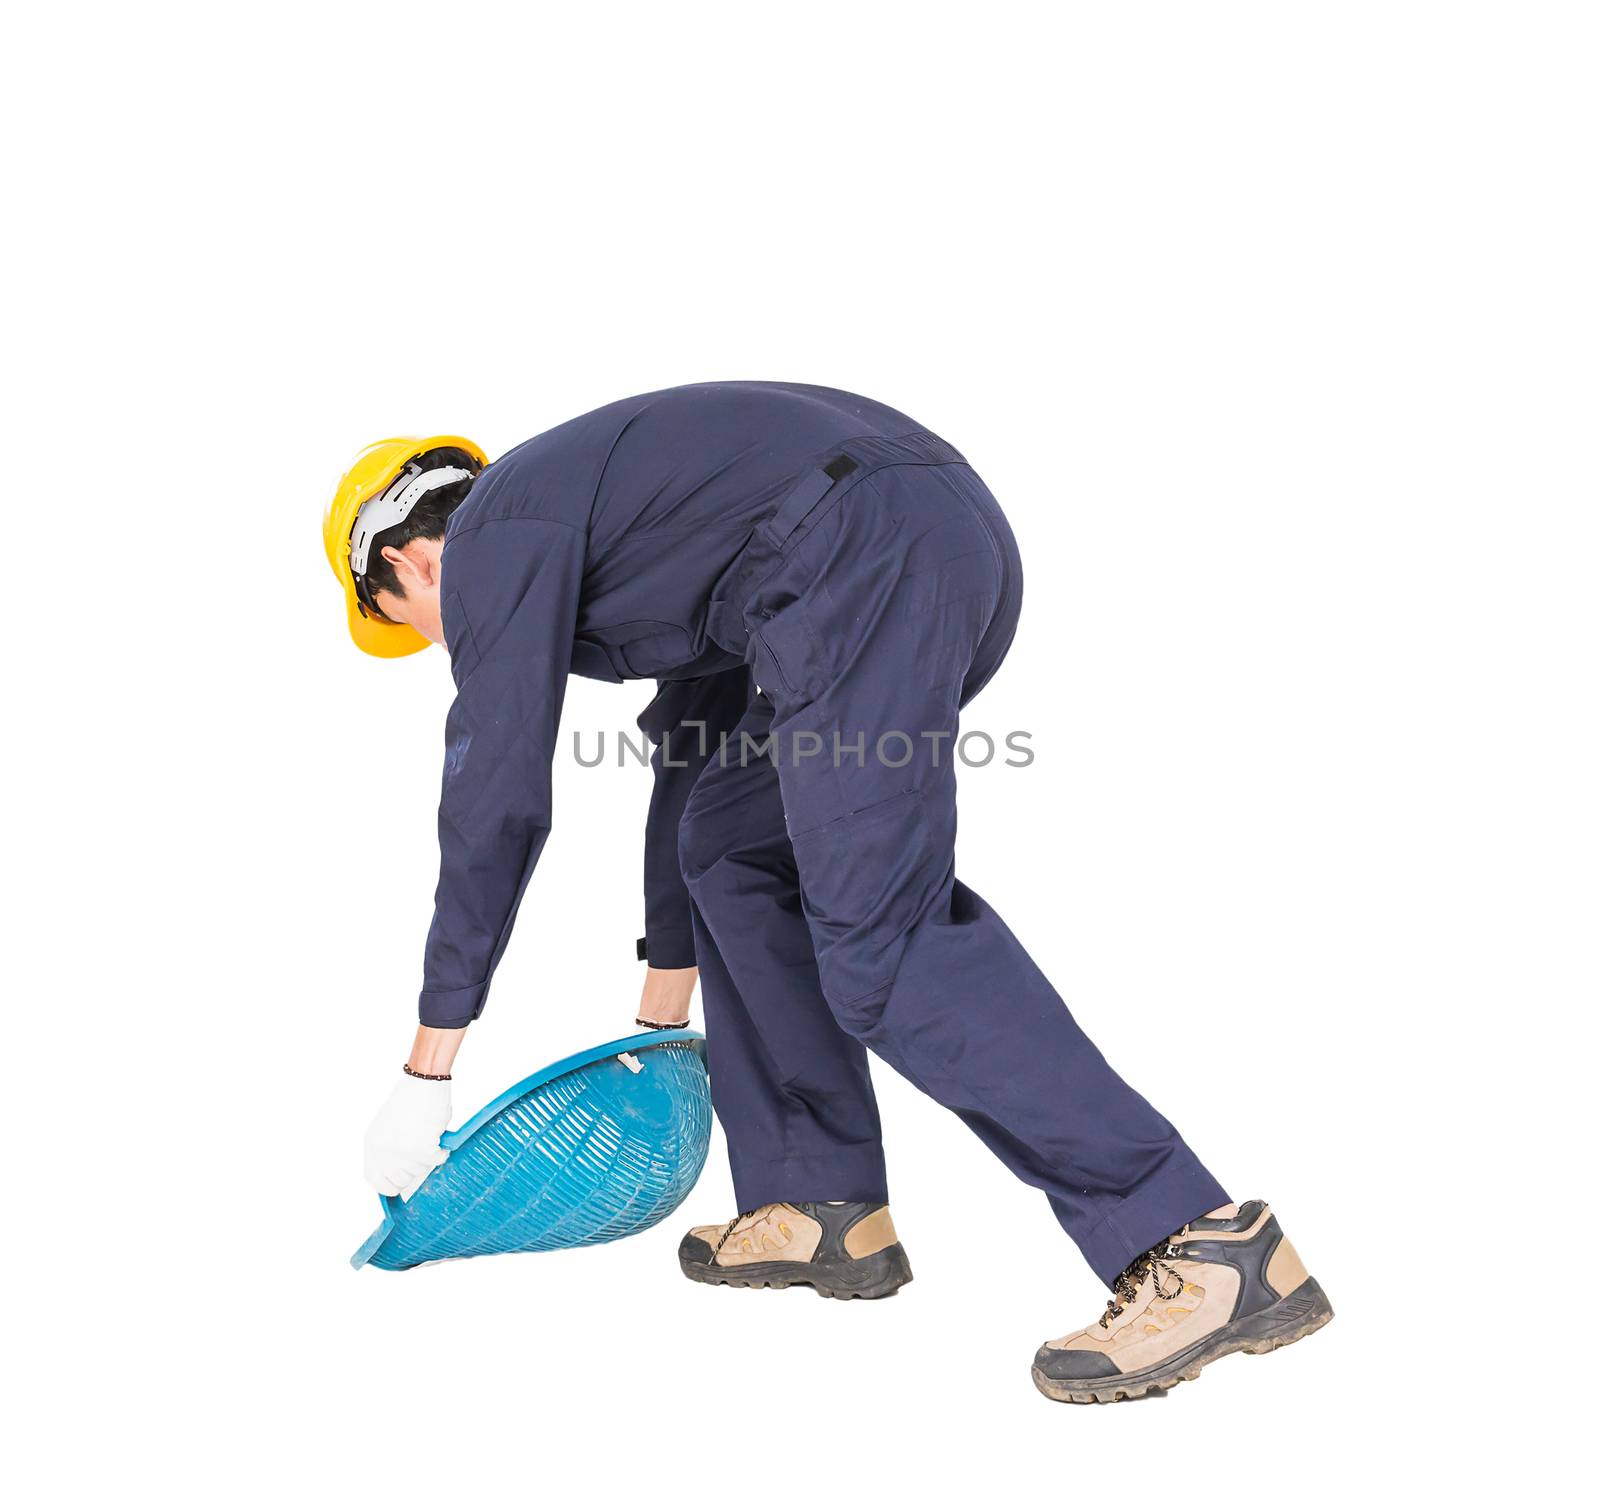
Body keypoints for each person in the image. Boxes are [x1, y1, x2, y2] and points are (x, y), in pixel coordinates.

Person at [326, 383, 1332, 1402]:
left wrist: (428, 1066)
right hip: (926, 538)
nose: (447, 649)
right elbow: (693, 750)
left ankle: (1194, 1243)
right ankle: (817, 1197)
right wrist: (659, 1011)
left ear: (409, 563)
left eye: (418, 628)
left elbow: (493, 802)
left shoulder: (498, 530)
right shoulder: (616, 515)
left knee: (880, 946)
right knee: (728, 839)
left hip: (855, 556)